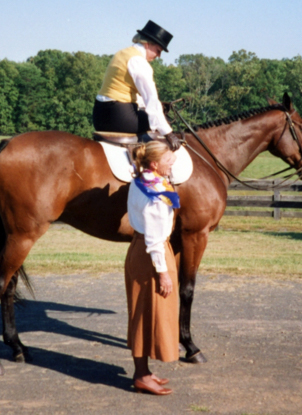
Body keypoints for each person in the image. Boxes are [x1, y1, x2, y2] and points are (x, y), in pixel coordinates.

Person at [125, 140, 180, 395]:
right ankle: (139, 376)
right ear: (155, 164)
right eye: (169, 159)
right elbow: (154, 238)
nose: (173, 163)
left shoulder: (143, 180)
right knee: (146, 313)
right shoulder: (155, 193)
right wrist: (163, 272)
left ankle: (144, 372)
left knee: (145, 312)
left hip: (142, 250)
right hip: (151, 254)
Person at [93, 20, 181, 151]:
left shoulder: (123, 53)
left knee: (155, 118)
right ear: (147, 44)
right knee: (162, 123)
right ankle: (151, 164)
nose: (159, 55)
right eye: (158, 50)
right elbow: (151, 100)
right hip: (117, 116)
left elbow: (132, 94)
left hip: (99, 114)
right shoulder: (138, 61)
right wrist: (168, 133)